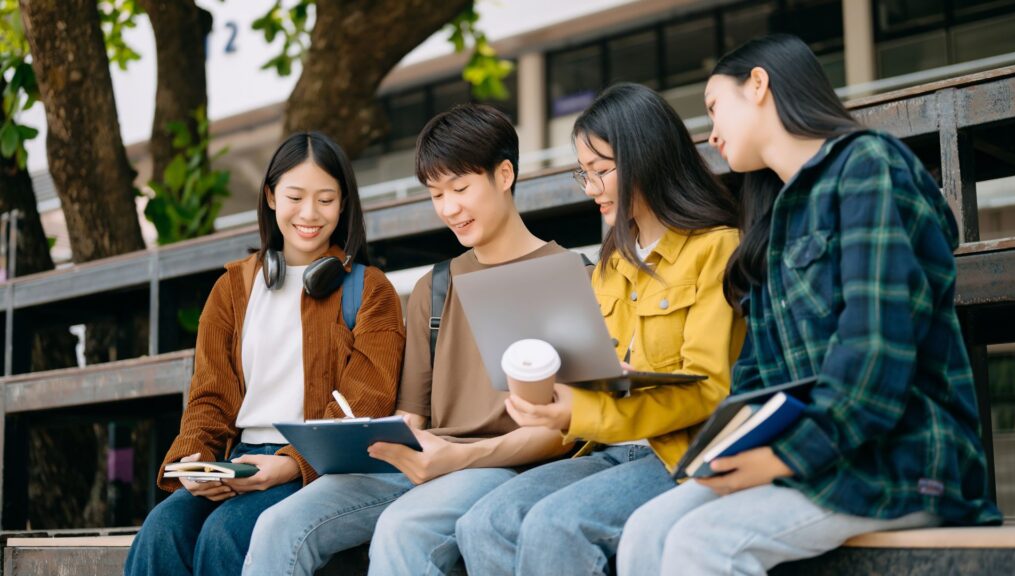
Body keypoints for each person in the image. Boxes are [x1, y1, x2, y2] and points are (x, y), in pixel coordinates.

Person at [618, 34, 1002, 576]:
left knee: (703, 544)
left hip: (900, 463)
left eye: (713, 107)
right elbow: (758, 373)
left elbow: (874, 356)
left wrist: (778, 457)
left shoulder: (869, 167)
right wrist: (725, 450)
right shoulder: (774, 216)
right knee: (644, 532)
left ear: (758, 84)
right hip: (809, 466)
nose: (710, 133)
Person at [243, 104, 582, 576]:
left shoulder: (566, 276)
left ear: (504, 175)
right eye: (436, 194)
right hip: (425, 460)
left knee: (403, 530)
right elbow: (412, 415)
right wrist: (373, 440)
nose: (449, 209)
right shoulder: (435, 286)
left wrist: (460, 456)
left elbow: (564, 431)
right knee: (278, 524)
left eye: (460, 188)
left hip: (503, 467)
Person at [455, 83, 745, 576]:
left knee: (556, 525)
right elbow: (593, 370)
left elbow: (708, 390)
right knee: (483, 523)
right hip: (602, 449)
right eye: (583, 173)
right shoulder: (611, 263)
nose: (590, 188)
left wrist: (582, 406)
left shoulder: (716, 248)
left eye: (601, 171)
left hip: (673, 452)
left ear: (646, 158)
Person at [124, 132, 406, 576]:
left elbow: (367, 402)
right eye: (295, 196)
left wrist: (290, 463)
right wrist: (194, 463)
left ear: (344, 204)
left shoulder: (371, 290)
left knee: (226, 534)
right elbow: (210, 396)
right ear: (272, 196)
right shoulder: (232, 290)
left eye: (326, 199)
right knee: (161, 530)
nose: (310, 214)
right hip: (237, 460)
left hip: (315, 466)